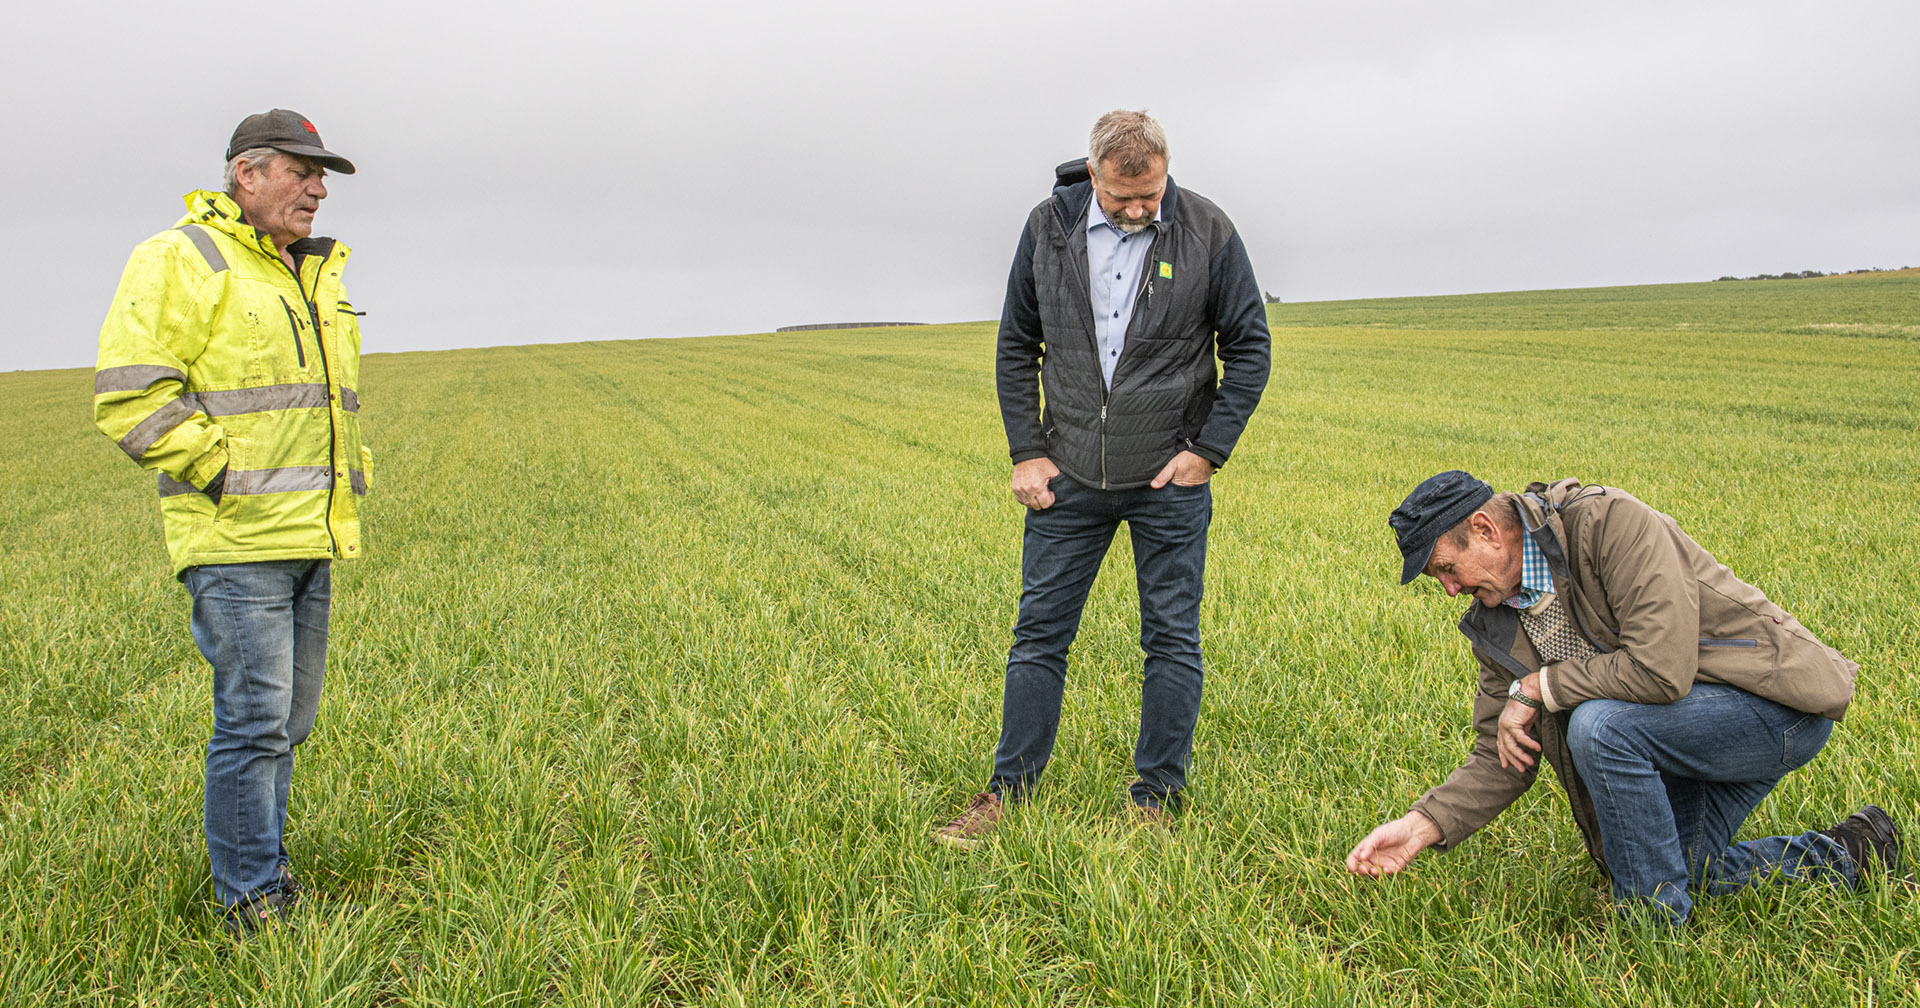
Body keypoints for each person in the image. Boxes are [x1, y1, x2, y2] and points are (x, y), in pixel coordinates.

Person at [1345, 471, 1902, 925]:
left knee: (1598, 725)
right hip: (1681, 729)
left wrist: (1542, 687)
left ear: (1487, 530)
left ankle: (1652, 928)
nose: (1448, 588)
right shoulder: (1497, 622)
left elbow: (1661, 669)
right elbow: (1501, 753)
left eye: (1446, 568)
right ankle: (1850, 853)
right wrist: (1422, 826)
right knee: (1671, 867)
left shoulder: (1608, 525)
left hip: (1772, 707)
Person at [934, 110, 1271, 847]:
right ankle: (1005, 794)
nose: (1139, 208)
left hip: (1168, 480)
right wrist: (1028, 452)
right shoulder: (1046, 229)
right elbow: (1016, 344)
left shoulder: (1207, 229)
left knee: (1172, 639)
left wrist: (1208, 452)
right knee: (1038, 637)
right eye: (1123, 196)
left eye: (1150, 193)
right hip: (1070, 475)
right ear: (1094, 175)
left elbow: (1250, 348)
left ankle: (1156, 803)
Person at [93, 109, 368, 935]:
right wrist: (222, 475)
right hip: (237, 542)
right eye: (302, 171)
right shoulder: (180, 258)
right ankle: (251, 902)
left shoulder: (308, 274)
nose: (318, 189)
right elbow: (131, 392)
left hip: (311, 536)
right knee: (252, 725)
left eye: (322, 176)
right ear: (247, 174)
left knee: (287, 724)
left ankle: (266, 871)